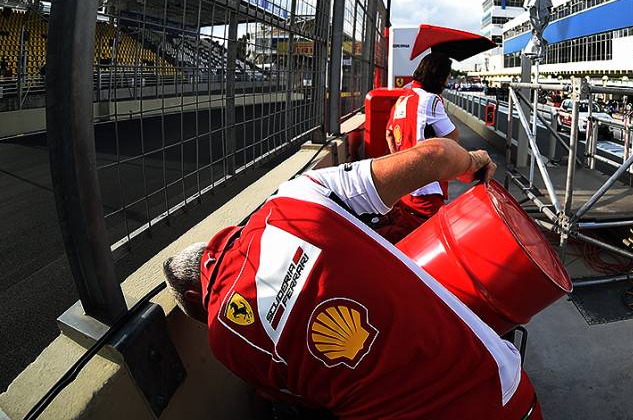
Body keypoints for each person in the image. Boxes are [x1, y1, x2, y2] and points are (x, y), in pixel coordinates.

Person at [162, 138, 541, 419]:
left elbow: (304, 399)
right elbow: (434, 155)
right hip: (500, 390)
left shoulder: (224, 341)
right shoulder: (294, 199)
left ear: (197, 294)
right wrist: (474, 162)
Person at [379, 53, 460, 243]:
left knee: (407, 243)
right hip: (426, 190)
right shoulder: (431, 100)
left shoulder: (402, 99)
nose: (447, 82)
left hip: (402, 187)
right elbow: (453, 137)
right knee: (430, 244)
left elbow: (389, 134)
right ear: (439, 77)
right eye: (447, 77)